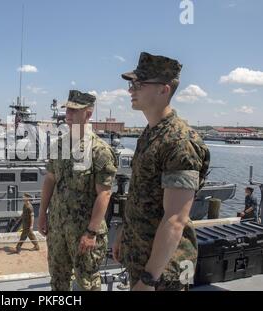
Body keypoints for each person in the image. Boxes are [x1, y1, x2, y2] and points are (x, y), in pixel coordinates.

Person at [113, 52, 210, 291]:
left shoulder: (180, 141)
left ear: (163, 90)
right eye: (131, 84)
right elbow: (142, 194)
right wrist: (125, 233)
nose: (130, 90)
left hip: (165, 272)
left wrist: (148, 280)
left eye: (139, 84)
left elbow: (175, 219)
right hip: (142, 256)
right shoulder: (150, 134)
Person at [38, 90, 117, 291]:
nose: (69, 114)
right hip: (57, 229)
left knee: (87, 283)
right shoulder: (60, 145)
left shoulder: (99, 150)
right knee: (57, 279)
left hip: (83, 232)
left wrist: (91, 232)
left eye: (75, 110)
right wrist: (42, 215)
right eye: (68, 109)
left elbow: (104, 193)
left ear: (88, 114)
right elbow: (50, 179)